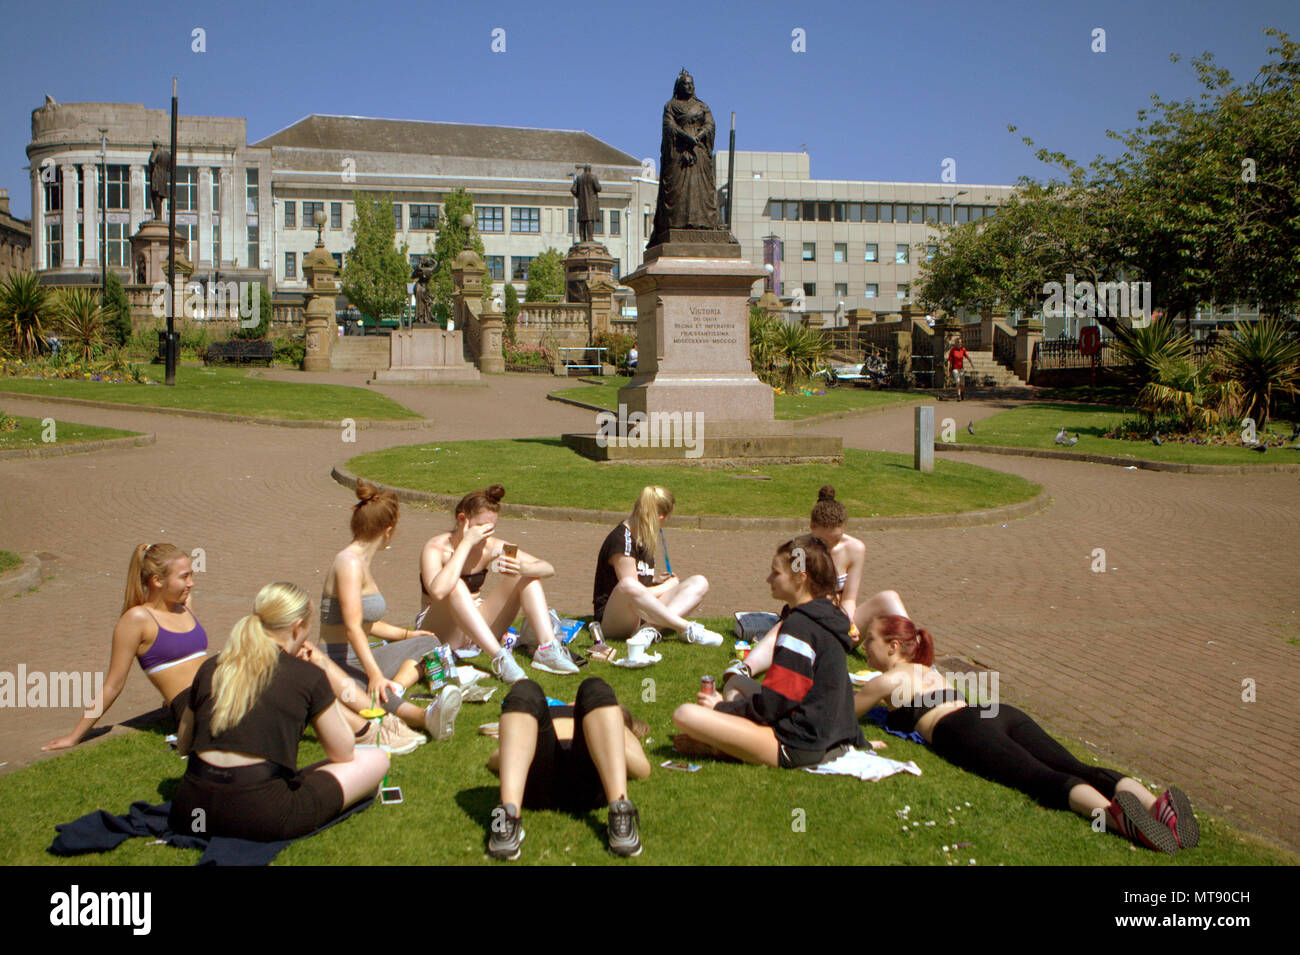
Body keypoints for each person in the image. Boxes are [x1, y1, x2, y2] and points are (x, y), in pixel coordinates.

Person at [853, 614, 1198, 853]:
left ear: (894, 645)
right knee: (1078, 766)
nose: (865, 648)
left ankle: (1116, 819)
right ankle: (1158, 806)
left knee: (1038, 777)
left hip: (963, 729)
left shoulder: (888, 680)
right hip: (998, 712)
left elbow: (842, 715)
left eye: (870, 640)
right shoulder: (929, 670)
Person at [170, 582, 390, 842]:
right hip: (262, 816)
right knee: (376, 758)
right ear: (297, 627)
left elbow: (184, 745)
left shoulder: (211, 667)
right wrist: (321, 679)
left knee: (269, 774)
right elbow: (343, 753)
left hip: (190, 811)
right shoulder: (308, 675)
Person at [672, 536, 864, 767]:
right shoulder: (826, 616)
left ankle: (722, 746)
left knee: (685, 714)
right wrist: (859, 741)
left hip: (800, 745)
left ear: (800, 578)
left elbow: (776, 703)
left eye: (776, 573)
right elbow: (838, 691)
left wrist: (721, 708)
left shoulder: (800, 627)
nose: (768, 579)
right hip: (829, 733)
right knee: (737, 682)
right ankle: (730, 737)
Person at [320, 479, 461, 745]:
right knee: (365, 686)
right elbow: (352, 627)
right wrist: (374, 673)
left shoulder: (361, 561)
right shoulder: (348, 564)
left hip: (361, 654)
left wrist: (408, 634)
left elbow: (367, 625)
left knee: (428, 641)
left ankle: (394, 687)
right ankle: (424, 716)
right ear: (389, 530)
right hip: (338, 661)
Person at [43, 543, 206, 751]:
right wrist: (75, 736)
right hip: (194, 705)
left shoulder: (185, 605)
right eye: (184, 577)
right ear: (157, 580)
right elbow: (113, 684)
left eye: (191, 575)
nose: (191, 583)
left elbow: (189, 659)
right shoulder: (137, 619)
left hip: (214, 689)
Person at [418, 484, 577, 683]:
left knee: (526, 576)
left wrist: (523, 568)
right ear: (462, 520)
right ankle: (500, 659)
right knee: (455, 585)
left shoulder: (490, 545)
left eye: (491, 529)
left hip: (477, 629)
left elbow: (547, 567)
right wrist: (466, 544)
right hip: (439, 629)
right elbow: (438, 591)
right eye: (482, 528)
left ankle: (547, 649)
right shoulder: (436, 547)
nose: (486, 535)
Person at [486, 677, 650, 860]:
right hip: (540, 780)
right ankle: (507, 816)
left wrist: (610, 741)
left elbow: (643, 769)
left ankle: (621, 812)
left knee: (595, 687)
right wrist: (517, 742)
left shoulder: (612, 723)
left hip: (587, 782)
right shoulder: (543, 716)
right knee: (524, 689)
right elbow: (494, 760)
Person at [732, 486, 867, 681]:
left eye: (836, 539)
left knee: (888, 599)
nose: (829, 546)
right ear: (811, 526)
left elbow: (850, 598)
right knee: (787, 626)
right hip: (809, 614)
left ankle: (915, 663)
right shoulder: (799, 548)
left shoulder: (856, 548)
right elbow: (798, 594)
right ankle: (745, 668)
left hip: (842, 615)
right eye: (823, 541)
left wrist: (849, 622)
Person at [592, 485, 722, 645]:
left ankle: (649, 631)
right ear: (660, 516)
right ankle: (685, 627)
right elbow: (632, 592)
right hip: (615, 619)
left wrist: (655, 579)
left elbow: (639, 581)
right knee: (628, 585)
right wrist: (668, 586)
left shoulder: (643, 535)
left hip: (643, 613)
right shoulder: (621, 541)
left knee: (699, 582)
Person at [947, 335, 971, 401]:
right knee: (957, 382)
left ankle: (962, 392)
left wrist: (971, 363)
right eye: (957, 342)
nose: (959, 344)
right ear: (955, 343)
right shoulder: (952, 350)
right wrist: (948, 370)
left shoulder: (963, 349)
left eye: (960, 342)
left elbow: (967, 356)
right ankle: (958, 395)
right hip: (955, 368)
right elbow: (949, 361)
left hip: (961, 369)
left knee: (962, 384)